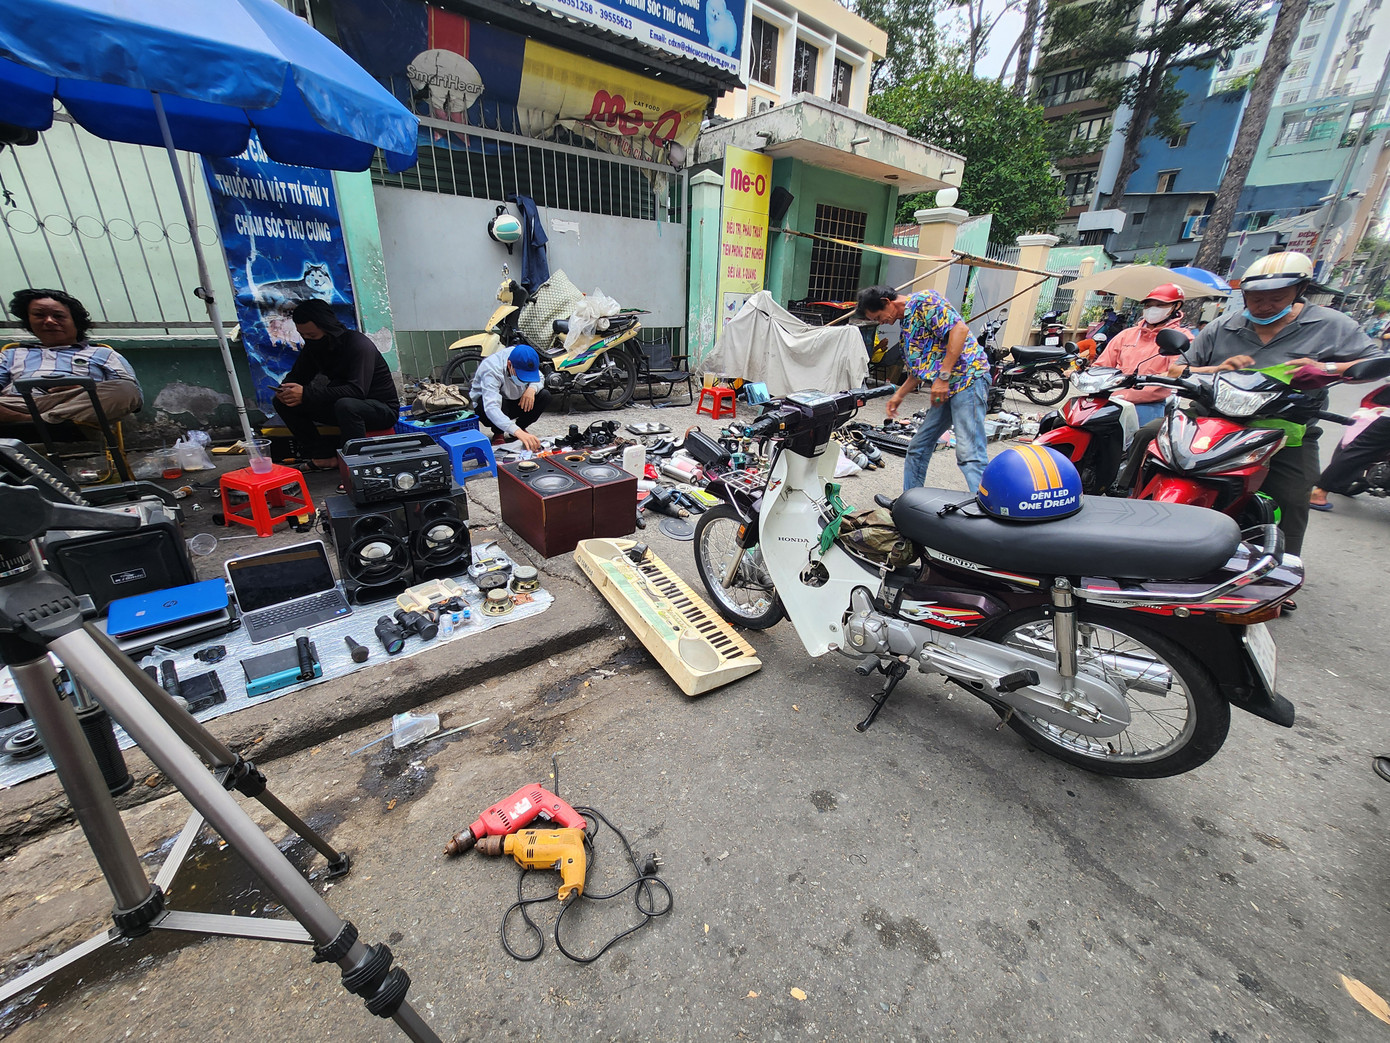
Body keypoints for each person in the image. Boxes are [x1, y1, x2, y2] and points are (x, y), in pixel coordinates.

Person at [1174, 251, 1379, 557]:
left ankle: (1282, 572)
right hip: (1215, 423)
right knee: (1150, 439)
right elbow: (1178, 369)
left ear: (1299, 291)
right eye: (1255, 298)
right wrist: (1216, 369)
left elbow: (1375, 362)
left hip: (1286, 430)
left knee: (1294, 497)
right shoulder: (1224, 326)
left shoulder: (1332, 325)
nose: (1264, 305)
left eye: (1276, 298)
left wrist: (1328, 370)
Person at [856, 285, 990, 494]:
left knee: (969, 453)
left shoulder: (924, 301)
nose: (881, 322)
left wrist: (944, 377)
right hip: (946, 389)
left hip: (968, 379)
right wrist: (898, 395)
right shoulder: (907, 326)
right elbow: (922, 367)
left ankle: (987, 511)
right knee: (917, 449)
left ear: (886, 302)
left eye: (879, 316)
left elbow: (959, 330)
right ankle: (911, 504)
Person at [274, 298, 400, 467]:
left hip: (380, 410)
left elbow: (357, 391)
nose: (308, 339)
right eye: (303, 335)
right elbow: (298, 375)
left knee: (347, 405)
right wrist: (286, 389)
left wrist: (306, 394)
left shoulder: (358, 344)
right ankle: (322, 455)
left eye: (312, 335)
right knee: (283, 403)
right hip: (342, 407)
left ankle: (353, 466)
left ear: (326, 327)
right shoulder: (314, 347)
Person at [0, 288, 142, 426]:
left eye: (58, 316)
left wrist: (85, 388)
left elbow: (133, 396)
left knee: (126, 389)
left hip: (76, 401)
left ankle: (41, 419)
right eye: (39, 315)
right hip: (18, 403)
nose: (49, 321)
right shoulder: (10, 354)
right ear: (29, 322)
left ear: (76, 322)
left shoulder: (103, 353)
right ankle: (39, 419)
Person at [1094, 283, 1191, 426]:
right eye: (1148, 305)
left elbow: (1177, 370)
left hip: (1147, 403)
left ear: (1175, 306)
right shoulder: (1127, 334)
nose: (1152, 309)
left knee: (1141, 440)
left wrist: (1152, 380)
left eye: (1159, 305)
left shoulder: (1181, 338)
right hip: (1113, 397)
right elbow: (1103, 364)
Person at [469, 344, 549, 452]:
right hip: (488, 409)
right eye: (521, 375)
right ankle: (498, 433)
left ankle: (521, 427)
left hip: (516, 401)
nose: (524, 380)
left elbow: (540, 377)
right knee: (496, 402)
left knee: (544, 395)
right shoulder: (491, 369)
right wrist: (517, 431)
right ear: (509, 364)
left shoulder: (526, 358)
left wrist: (532, 389)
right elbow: (491, 407)